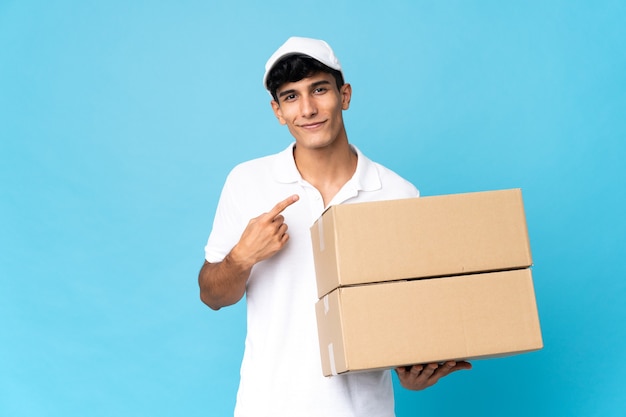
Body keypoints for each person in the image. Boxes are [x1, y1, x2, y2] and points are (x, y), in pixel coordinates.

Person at [198, 36, 471, 417]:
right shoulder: (247, 182)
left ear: (345, 95)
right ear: (278, 111)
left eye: (319, 90)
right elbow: (211, 296)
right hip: (268, 407)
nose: (307, 109)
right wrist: (241, 258)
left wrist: (411, 371)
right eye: (291, 97)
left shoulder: (398, 194)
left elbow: (407, 316)